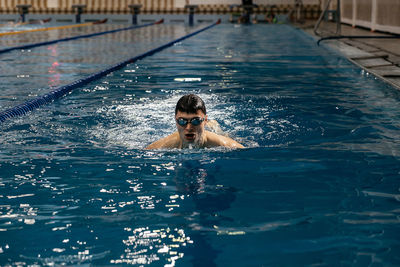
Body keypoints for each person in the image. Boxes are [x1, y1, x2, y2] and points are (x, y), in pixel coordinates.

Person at [146, 94, 244, 149]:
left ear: (204, 120)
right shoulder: (162, 146)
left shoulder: (224, 144)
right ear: (175, 121)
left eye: (196, 121)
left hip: (212, 133)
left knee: (220, 132)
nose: (189, 128)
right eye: (182, 121)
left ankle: (212, 124)